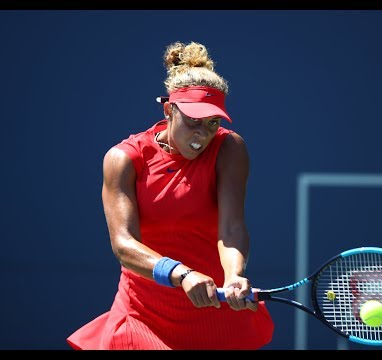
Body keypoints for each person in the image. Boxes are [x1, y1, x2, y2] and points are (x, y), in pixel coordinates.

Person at [66, 41, 274, 350]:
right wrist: (180, 273)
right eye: (193, 122)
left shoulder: (229, 148)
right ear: (169, 110)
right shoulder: (124, 159)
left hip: (216, 311)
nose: (202, 135)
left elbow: (231, 228)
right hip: (145, 316)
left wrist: (233, 275)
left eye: (212, 123)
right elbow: (123, 244)